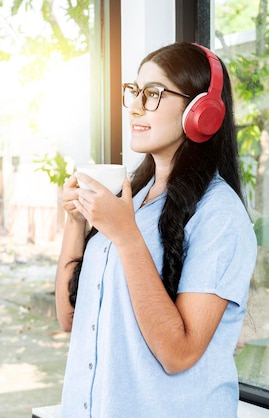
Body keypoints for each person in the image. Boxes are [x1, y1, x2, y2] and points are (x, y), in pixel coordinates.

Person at [55, 41, 257, 418]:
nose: (134, 106)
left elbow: (178, 354)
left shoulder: (219, 215)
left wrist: (126, 236)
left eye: (153, 94)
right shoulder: (129, 198)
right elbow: (69, 319)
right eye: (134, 91)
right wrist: (76, 220)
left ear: (202, 111)